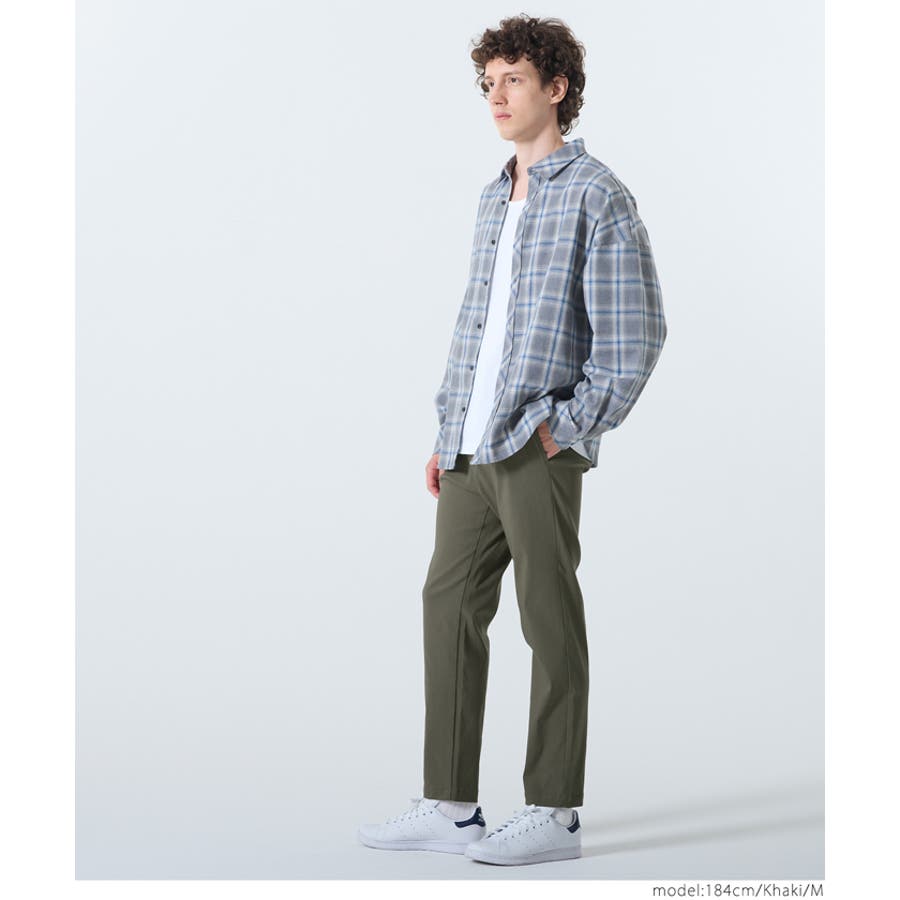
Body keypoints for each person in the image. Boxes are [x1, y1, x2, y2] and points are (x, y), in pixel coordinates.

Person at [358, 14, 667, 867]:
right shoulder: (493, 196)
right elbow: (479, 326)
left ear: (556, 88)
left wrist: (565, 428)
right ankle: (451, 805)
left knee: (547, 615)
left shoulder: (597, 193)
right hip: (471, 443)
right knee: (447, 605)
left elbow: (637, 333)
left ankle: (556, 813)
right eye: (488, 83)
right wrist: (448, 429)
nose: (496, 96)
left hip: (536, 443)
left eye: (514, 81)